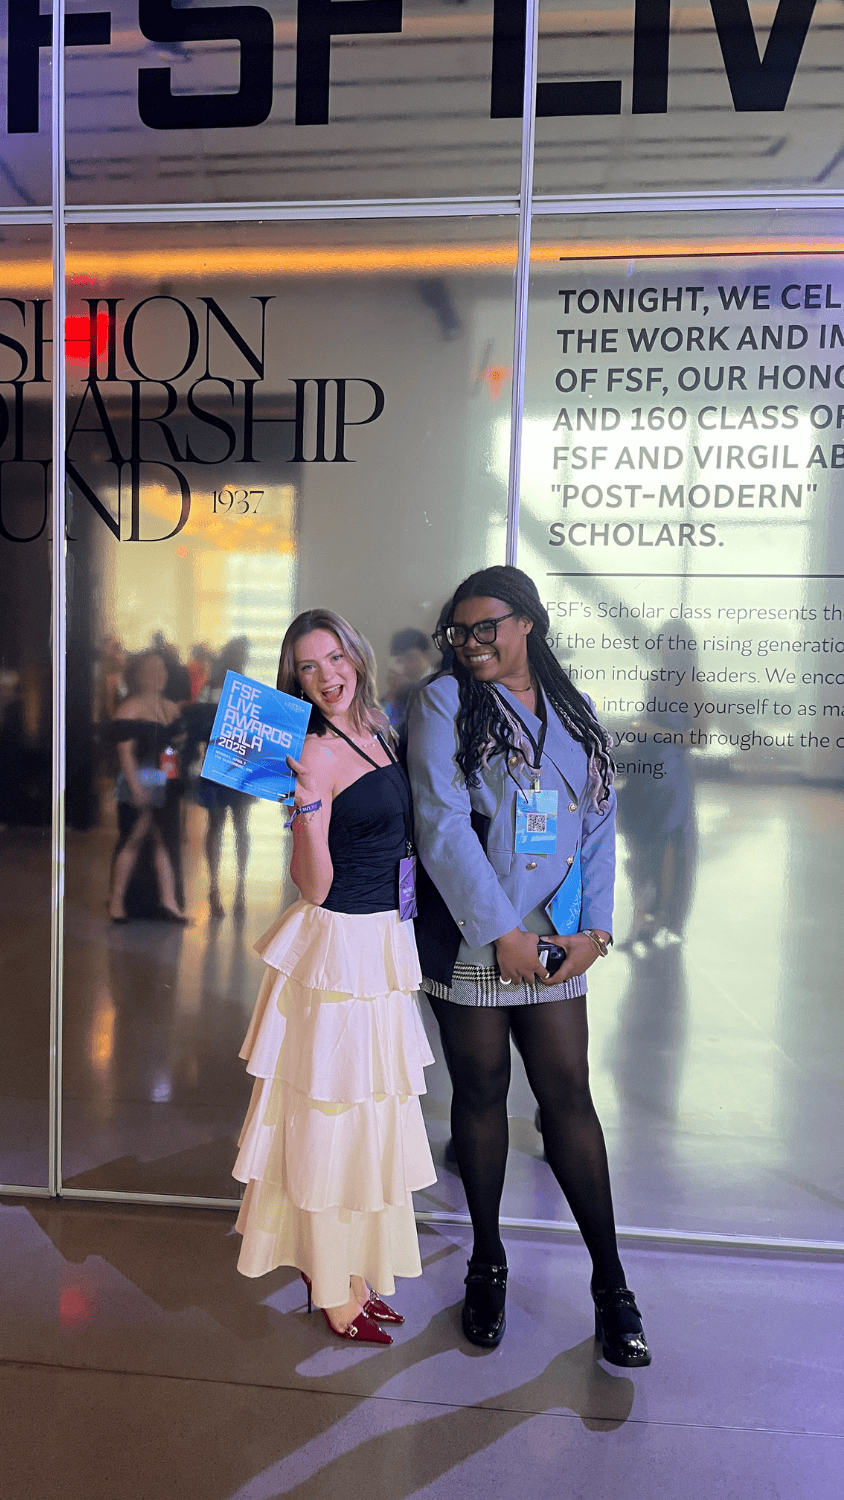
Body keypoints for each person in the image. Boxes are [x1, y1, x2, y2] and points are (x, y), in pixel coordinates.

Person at [406, 565, 650, 1367]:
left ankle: (611, 1285)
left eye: (486, 628)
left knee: (568, 1098)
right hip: (480, 938)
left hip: (556, 944)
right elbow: (441, 826)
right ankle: (487, 1262)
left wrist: (596, 931)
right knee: (478, 1096)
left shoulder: (575, 718)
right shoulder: (445, 704)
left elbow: (598, 829)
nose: (471, 644)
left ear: (528, 626)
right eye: (460, 632)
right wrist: (502, 932)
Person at [233, 608, 436, 1345]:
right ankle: (330, 1286)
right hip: (340, 947)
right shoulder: (314, 751)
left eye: (333, 658)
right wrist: (309, 814)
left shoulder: (377, 726)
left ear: (356, 654)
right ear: (294, 679)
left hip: (382, 942)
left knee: (366, 1122)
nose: (325, 677)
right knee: (330, 1124)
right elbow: (312, 886)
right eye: (308, 668)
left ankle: (350, 1273)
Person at [109, 649, 188, 925]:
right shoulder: (130, 708)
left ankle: (169, 902)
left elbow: (171, 749)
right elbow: (125, 753)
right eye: (153, 670)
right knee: (134, 837)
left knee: (162, 840)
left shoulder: (170, 707)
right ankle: (117, 902)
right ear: (140, 676)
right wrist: (135, 788)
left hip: (164, 782)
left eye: (162, 669)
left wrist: (173, 777)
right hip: (138, 780)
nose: (160, 675)